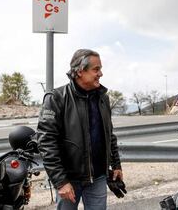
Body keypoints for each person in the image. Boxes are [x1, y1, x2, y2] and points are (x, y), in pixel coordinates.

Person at [37, 49, 123, 210]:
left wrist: (116, 164)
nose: (101, 74)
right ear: (79, 72)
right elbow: (46, 142)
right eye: (96, 69)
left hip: (98, 177)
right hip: (69, 179)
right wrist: (60, 181)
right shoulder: (56, 98)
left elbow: (109, 134)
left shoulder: (103, 98)